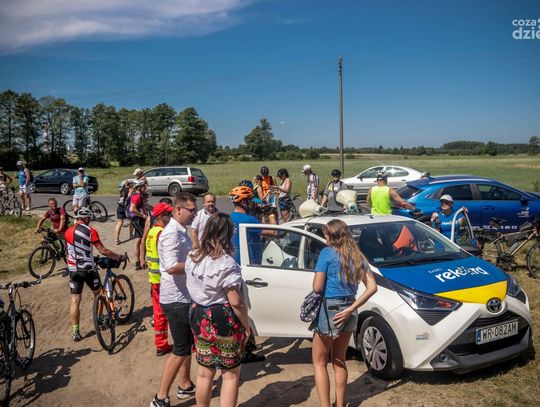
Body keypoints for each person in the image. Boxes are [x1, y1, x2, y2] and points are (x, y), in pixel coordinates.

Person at [186, 213, 251, 407]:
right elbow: (236, 302)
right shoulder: (225, 263)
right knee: (230, 375)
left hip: (198, 314)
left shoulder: (193, 256)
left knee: (204, 373)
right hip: (222, 317)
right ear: (227, 234)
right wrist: (246, 325)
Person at [311, 219, 377, 407]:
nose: (324, 238)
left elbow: (317, 287)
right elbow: (372, 287)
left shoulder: (326, 253)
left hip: (330, 309)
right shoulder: (358, 255)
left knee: (319, 362)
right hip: (350, 310)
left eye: (325, 234)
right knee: (339, 359)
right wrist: (351, 308)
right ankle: (340, 404)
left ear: (332, 236)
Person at [151, 192, 198, 407]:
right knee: (180, 349)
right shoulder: (171, 234)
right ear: (178, 210)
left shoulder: (181, 230)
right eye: (192, 210)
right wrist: (198, 264)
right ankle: (160, 397)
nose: (194, 214)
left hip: (183, 297)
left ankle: (184, 384)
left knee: (186, 345)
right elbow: (171, 266)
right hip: (175, 300)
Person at [64, 207, 126, 342]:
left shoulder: (67, 232)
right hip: (88, 269)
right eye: (89, 218)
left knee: (75, 300)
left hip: (73, 269)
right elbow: (103, 250)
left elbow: (68, 251)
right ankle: (99, 318)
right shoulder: (90, 231)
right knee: (99, 294)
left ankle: (75, 332)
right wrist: (118, 256)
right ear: (86, 218)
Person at [145, 202, 174, 357]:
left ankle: (161, 343)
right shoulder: (162, 233)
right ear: (161, 216)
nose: (170, 217)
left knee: (158, 312)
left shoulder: (152, 231)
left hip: (154, 278)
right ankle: (163, 344)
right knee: (165, 312)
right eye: (168, 214)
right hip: (163, 280)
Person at [128, 180, 149, 270]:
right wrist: (143, 215)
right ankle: (142, 261)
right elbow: (132, 209)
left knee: (138, 240)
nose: (146, 188)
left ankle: (138, 263)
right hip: (139, 220)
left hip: (138, 220)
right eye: (144, 187)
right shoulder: (137, 197)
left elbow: (146, 206)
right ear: (139, 188)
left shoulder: (140, 196)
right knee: (144, 239)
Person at [114, 179, 134, 245]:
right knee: (131, 220)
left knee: (119, 222)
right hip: (126, 208)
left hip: (120, 207)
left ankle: (116, 239)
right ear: (130, 184)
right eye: (132, 184)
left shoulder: (122, 189)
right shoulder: (130, 190)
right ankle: (131, 235)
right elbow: (129, 198)